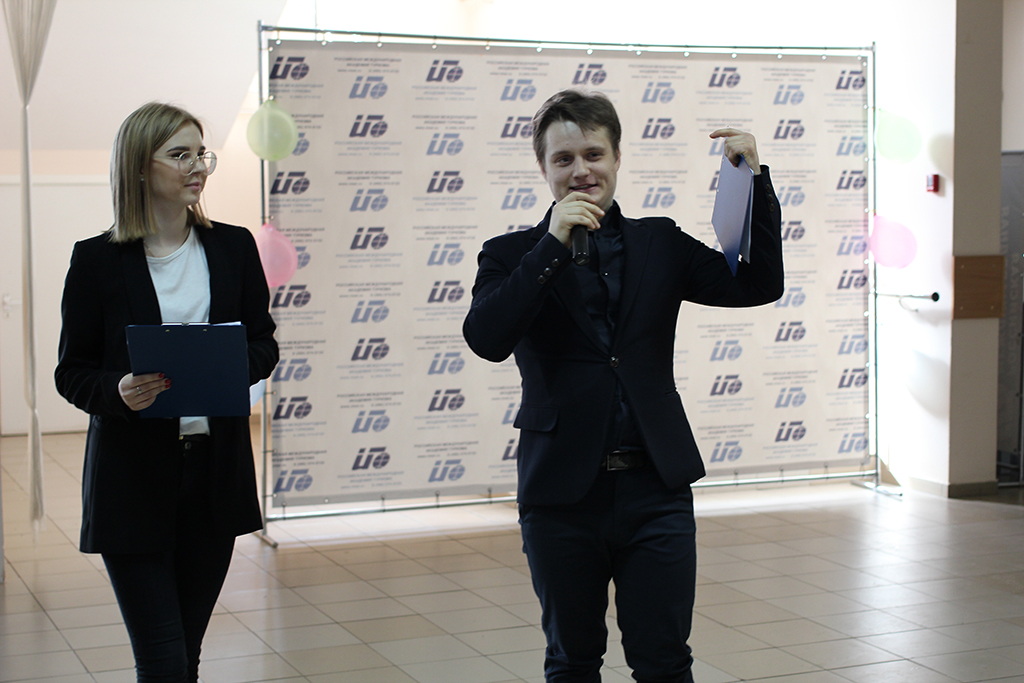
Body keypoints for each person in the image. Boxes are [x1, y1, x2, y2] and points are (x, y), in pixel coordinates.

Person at [463, 89, 784, 682]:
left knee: (664, 661)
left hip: (655, 488)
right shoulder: (510, 255)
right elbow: (486, 338)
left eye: (593, 154)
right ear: (543, 168)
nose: (581, 171)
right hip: (561, 495)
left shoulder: (660, 242)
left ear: (616, 158)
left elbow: (759, 284)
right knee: (573, 660)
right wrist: (551, 247)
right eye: (563, 159)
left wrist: (754, 180)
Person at [55, 102, 278, 683]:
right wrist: (117, 390)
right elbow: (72, 371)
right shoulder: (97, 260)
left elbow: (264, 343)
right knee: (163, 661)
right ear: (138, 166)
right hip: (132, 481)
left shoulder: (232, 248)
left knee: (187, 657)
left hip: (214, 476)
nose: (197, 166)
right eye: (180, 155)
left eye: (201, 153)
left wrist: (228, 365)